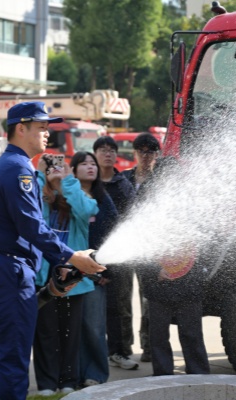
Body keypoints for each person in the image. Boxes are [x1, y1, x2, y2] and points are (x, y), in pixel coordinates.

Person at [0, 101, 105, 400]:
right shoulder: (19, 170)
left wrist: (58, 264)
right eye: (40, 127)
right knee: (11, 362)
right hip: (7, 275)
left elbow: (27, 229)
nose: (46, 134)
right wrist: (72, 256)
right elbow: (31, 226)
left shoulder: (10, 166)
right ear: (20, 129)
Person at [135, 156, 210, 376]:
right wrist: (154, 271)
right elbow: (138, 246)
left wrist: (197, 276)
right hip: (158, 283)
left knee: (192, 335)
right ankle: (163, 378)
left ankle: (199, 377)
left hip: (189, 284)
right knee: (158, 337)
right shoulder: (146, 206)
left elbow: (205, 245)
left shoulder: (194, 205)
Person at [32, 153, 99, 396]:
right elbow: (31, 209)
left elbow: (86, 209)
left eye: (61, 165)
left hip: (74, 277)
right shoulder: (39, 198)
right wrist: (40, 175)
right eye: (51, 167)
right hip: (43, 276)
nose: (56, 169)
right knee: (45, 333)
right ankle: (47, 384)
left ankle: (69, 380)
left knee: (70, 334)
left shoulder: (78, 195)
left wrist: (67, 180)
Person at [71, 151, 119, 388]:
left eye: (93, 164)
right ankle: (77, 375)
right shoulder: (65, 197)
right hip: (68, 274)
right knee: (74, 329)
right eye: (84, 163)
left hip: (95, 274)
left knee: (94, 327)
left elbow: (113, 232)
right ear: (73, 169)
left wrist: (106, 271)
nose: (90, 167)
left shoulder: (103, 199)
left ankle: (97, 374)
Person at [93, 136, 139, 370]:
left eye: (112, 150)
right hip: (91, 254)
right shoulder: (89, 183)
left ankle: (120, 351)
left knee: (119, 305)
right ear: (95, 154)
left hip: (120, 255)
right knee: (93, 307)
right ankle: (98, 352)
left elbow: (131, 218)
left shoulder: (123, 184)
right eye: (103, 150)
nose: (108, 153)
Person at [121, 132, 161, 363]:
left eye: (151, 152)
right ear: (135, 153)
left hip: (149, 247)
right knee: (122, 298)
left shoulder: (160, 180)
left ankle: (148, 346)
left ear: (156, 155)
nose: (146, 156)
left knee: (148, 298)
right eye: (142, 151)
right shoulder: (123, 178)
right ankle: (124, 347)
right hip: (125, 246)